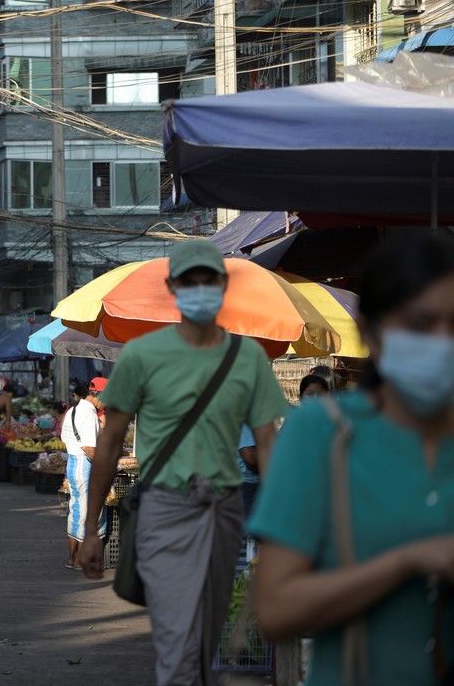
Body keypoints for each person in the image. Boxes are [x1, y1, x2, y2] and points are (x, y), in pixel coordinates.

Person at [78, 239, 287, 686]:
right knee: (178, 643)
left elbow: (267, 446)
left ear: (223, 286)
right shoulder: (141, 356)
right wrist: (90, 527)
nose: (198, 289)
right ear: (173, 287)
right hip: (163, 508)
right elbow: (110, 445)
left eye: (207, 281)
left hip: (225, 510)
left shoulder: (246, 357)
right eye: (188, 281)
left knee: (205, 641)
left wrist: (280, 530)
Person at [250, 233, 454, 685]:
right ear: (371, 332)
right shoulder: (323, 433)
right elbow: (277, 610)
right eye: (422, 324)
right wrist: (407, 561)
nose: (442, 343)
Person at [62, 379, 107, 569]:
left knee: (76, 511)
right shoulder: (88, 414)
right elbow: (89, 448)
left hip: (73, 462)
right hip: (84, 464)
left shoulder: (74, 409)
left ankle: (73, 558)